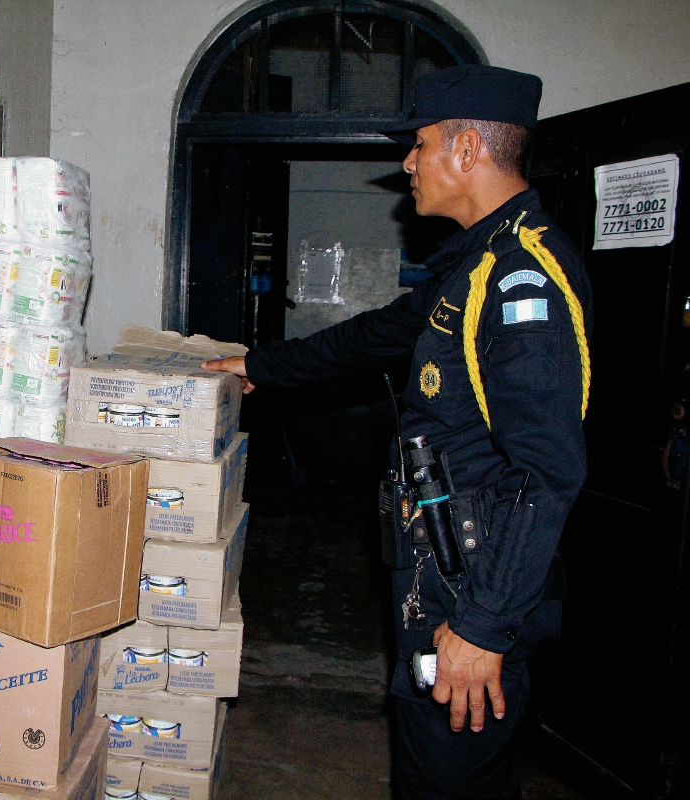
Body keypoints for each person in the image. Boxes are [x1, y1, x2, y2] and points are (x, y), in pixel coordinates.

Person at [203, 64, 592, 799]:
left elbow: (547, 473)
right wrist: (262, 364)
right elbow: (377, 335)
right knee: (442, 772)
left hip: (477, 584)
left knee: (447, 781)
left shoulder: (522, 282)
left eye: (419, 145)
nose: (407, 163)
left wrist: (482, 626)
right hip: (439, 569)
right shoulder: (475, 262)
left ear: (468, 150)